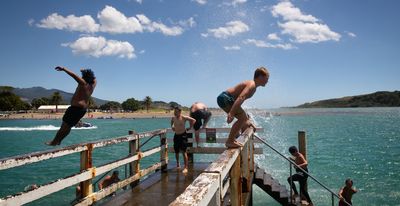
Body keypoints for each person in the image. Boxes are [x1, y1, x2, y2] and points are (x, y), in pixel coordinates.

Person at [217, 67, 269, 148]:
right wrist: (231, 113)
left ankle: (232, 139)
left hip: (225, 98)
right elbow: (241, 97)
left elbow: (240, 101)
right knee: (242, 119)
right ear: (260, 77)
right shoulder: (252, 85)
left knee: (244, 118)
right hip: (226, 98)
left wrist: (247, 121)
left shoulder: (253, 86)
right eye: (267, 78)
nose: (267, 81)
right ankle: (230, 141)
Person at [46, 66, 96, 146]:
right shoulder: (93, 85)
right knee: (68, 126)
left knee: (64, 126)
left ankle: (54, 142)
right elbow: (94, 78)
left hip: (75, 109)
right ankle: (58, 141)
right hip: (81, 110)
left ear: (84, 78)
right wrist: (85, 72)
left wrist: (64, 69)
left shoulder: (83, 83)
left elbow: (73, 75)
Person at [171, 107, 196, 174]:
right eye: (174, 111)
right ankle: (178, 164)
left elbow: (193, 120)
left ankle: (186, 167)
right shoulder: (173, 118)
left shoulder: (184, 117)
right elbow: (171, 122)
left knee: (183, 152)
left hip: (183, 136)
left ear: (180, 111)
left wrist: (190, 127)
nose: (175, 113)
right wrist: (172, 127)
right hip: (176, 136)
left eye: (176, 111)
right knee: (176, 151)